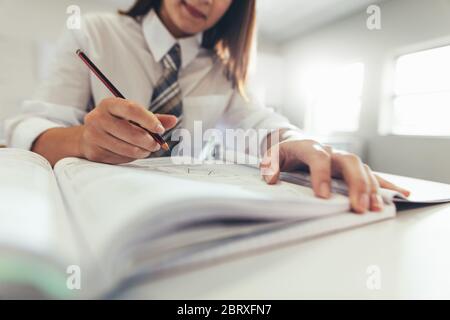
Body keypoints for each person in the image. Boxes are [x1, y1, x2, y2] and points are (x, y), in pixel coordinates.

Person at [4, 0, 409, 213]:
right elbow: (27, 127)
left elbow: (264, 124)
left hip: (183, 211)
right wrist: (82, 140)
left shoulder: (222, 68)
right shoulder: (93, 31)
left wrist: (299, 142)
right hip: (96, 209)